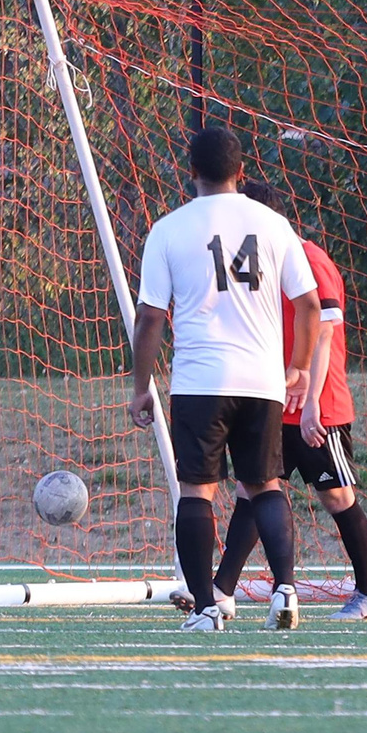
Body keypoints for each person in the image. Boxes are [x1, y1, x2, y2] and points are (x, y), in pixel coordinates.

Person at [127, 125, 322, 632]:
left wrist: (140, 385)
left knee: (197, 492)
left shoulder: (169, 228)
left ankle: (207, 608)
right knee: (265, 485)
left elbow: (150, 317)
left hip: (199, 382)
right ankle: (285, 590)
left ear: (190, 172)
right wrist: (298, 366)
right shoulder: (274, 223)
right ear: (241, 172)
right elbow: (309, 305)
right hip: (261, 382)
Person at [179, 178, 367, 623]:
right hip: (272, 399)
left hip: (318, 405)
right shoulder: (258, 260)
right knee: (251, 492)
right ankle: (221, 590)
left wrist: (312, 401)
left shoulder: (308, 257)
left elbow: (326, 330)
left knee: (336, 496)